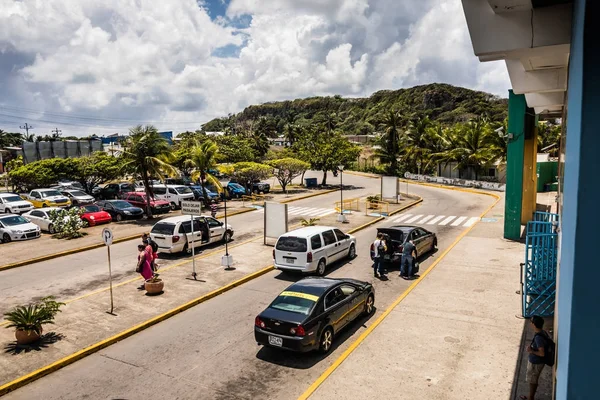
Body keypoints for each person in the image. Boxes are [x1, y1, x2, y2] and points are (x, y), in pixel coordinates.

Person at [521, 316, 550, 400]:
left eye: (531, 322)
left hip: (536, 363)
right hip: (536, 362)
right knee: (533, 380)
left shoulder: (538, 338)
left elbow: (542, 353)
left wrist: (531, 351)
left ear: (534, 324)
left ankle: (531, 398)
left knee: (533, 381)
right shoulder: (542, 332)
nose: (530, 323)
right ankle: (530, 396)